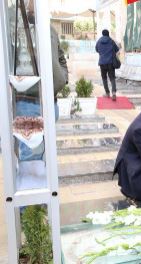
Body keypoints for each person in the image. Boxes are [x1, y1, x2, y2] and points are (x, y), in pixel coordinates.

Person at [14, 0, 68, 161]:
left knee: (46, 155)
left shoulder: (49, 28)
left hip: (51, 102)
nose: (33, 4)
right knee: (30, 155)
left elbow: (60, 57)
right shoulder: (17, 29)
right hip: (30, 102)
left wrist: (63, 77)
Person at [95, 29, 119, 101]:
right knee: (112, 78)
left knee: (104, 78)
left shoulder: (99, 41)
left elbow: (96, 50)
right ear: (108, 34)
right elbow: (117, 49)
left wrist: (102, 53)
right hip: (110, 62)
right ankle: (114, 93)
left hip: (102, 62)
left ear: (102, 34)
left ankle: (107, 93)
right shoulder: (111, 41)